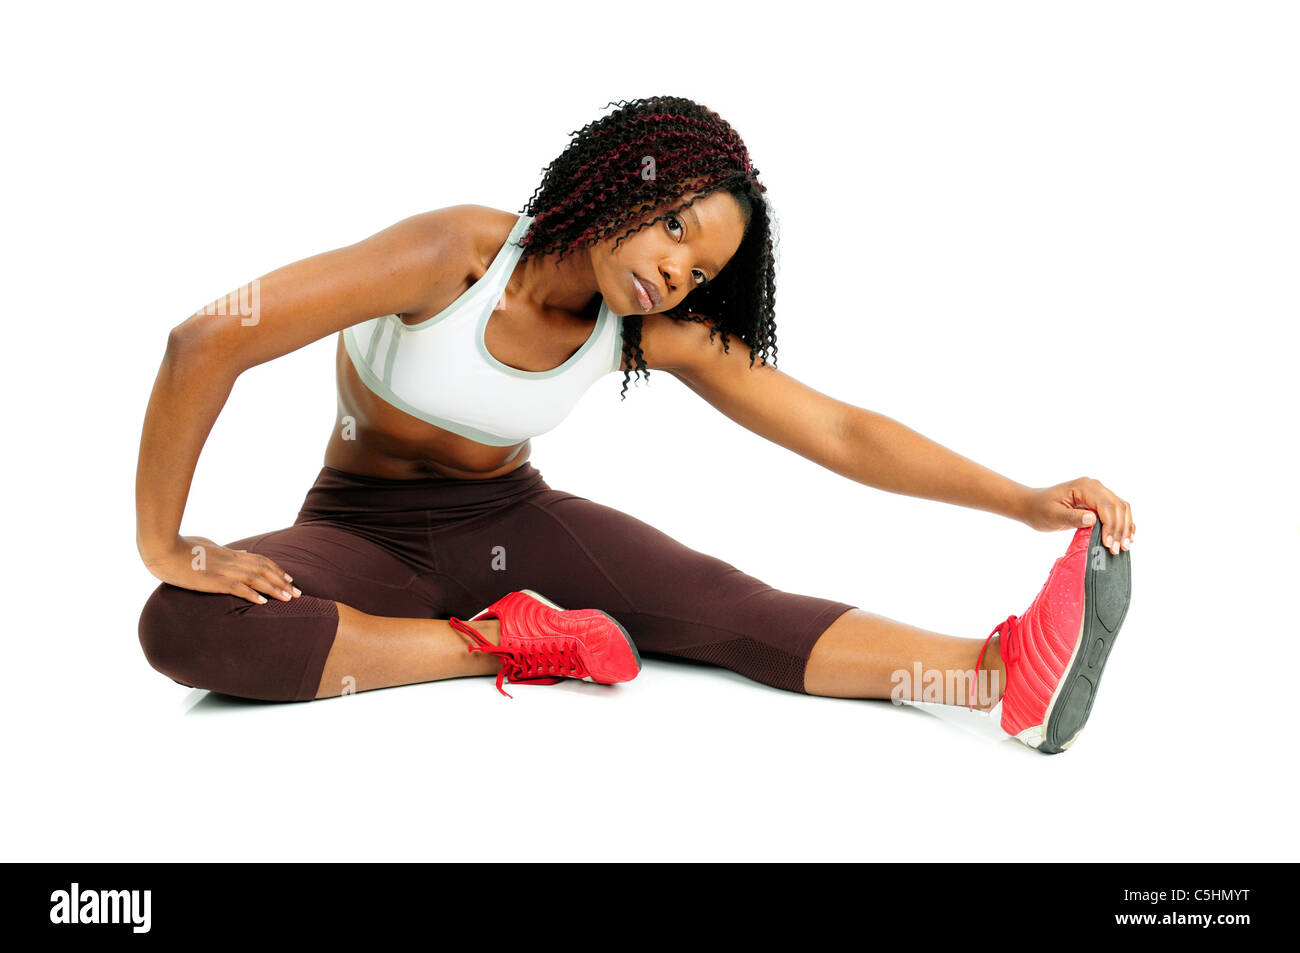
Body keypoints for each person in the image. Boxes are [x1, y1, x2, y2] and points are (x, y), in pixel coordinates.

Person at [136, 95, 1134, 754]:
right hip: (359, 531)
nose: (673, 273)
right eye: (673, 229)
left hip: (511, 519)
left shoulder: (642, 330)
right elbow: (205, 340)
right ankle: (501, 643)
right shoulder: (455, 254)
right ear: (625, 178)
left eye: (699, 271)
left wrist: (1022, 498)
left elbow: (837, 429)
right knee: (184, 623)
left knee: (726, 604)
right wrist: (164, 542)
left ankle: (996, 674)